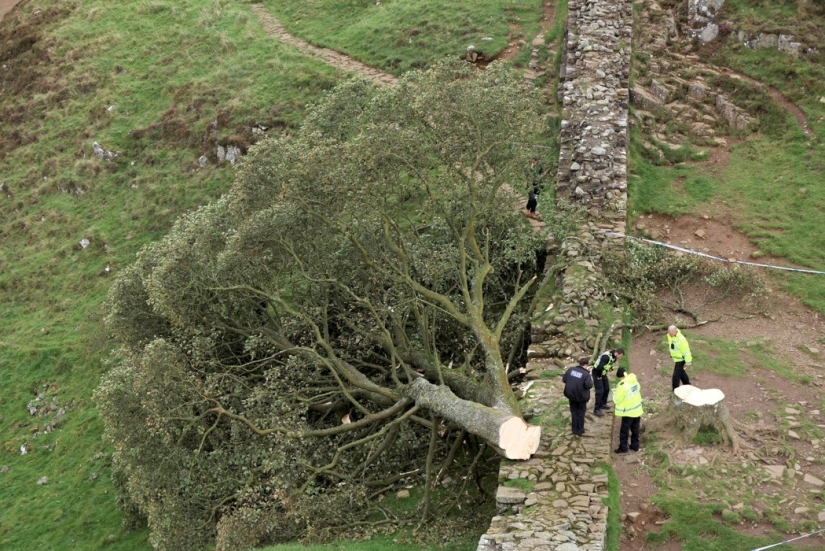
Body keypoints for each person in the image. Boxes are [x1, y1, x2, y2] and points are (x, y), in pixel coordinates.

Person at [613, 367, 643, 453]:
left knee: (624, 431)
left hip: (628, 412)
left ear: (620, 377)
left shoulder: (622, 386)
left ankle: (623, 447)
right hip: (637, 410)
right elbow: (638, 389)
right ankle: (635, 445)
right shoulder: (634, 381)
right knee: (635, 428)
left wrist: (615, 393)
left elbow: (616, 400)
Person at [563, 357, 593, 436]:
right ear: (586, 365)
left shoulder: (570, 370)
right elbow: (589, 385)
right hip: (581, 397)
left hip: (571, 395)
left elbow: (564, 379)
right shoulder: (586, 374)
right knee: (581, 413)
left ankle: (574, 429)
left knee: (573, 412)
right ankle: (580, 429)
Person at [592, 347, 624, 417]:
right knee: (600, 391)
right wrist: (599, 376)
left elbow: (607, 365)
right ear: (617, 353)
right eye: (620, 356)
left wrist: (610, 368)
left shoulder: (614, 357)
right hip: (597, 372)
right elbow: (599, 367)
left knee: (606, 388)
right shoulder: (606, 356)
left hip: (603, 373)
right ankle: (596, 409)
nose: (620, 358)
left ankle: (603, 403)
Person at [667, 325, 692, 390]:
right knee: (682, 373)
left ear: (674, 331)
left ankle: (675, 391)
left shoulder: (681, 340)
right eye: (668, 332)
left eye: (670, 332)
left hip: (681, 360)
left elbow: (686, 352)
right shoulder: (671, 336)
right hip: (676, 359)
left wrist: (688, 362)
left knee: (676, 376)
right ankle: (688, 386)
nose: (669, 334)